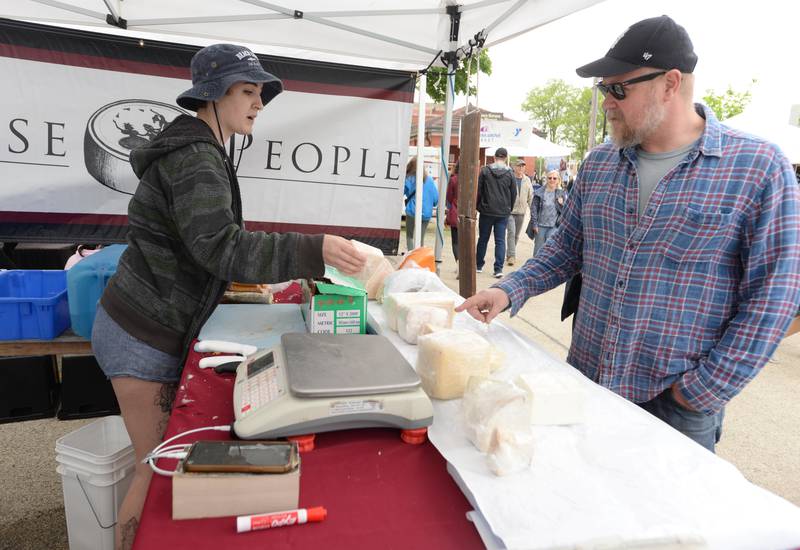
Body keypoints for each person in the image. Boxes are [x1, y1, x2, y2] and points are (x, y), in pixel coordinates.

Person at [456, 15, 800, 453]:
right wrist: (508, 291)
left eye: (618, 89)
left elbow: (775, 297)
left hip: (675, 406)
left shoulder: (757, 168)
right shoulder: (601, 164)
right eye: (604, 90)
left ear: (670, 84)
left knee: (663, 519)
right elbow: (565, 248)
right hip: (584, 379)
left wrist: (699, 393)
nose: (606, 103)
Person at [91, 43, 366, 550]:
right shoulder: (196, 156)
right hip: (141, 331)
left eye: (260, 93)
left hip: (148, 322)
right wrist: (313, 248)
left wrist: (262, 271)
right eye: (246, 91)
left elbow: (206, 240)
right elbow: (219, 247)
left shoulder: (202, 148)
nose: (258, 103)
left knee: (152, 465)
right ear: (212, 95)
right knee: (154, 471)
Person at [476, 147, 516, 278]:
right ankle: (498, 269)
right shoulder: (510, 173)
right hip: (503, 212)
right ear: (505, 158)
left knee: (483, 239)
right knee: (500, 241)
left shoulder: (485, 171)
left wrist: (479, 206)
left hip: (486, 211)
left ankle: (478, 265)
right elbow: (513, 193)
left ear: (494, 157)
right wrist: (508, 208)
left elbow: (479, 190)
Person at [526, 169, 566, 256]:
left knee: (550, 249)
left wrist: (562, 204)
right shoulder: (539, 193)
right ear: (546, 179)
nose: (552, 180)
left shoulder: (561, 194)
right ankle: (535, 267)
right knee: (538, 250)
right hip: (540, 226)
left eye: (554, 178)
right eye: (550, 178)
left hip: (554, 226)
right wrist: (534, 224)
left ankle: (547, 268)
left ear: (558, 180)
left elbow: (566, 212)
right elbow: (533, 210)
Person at [403, 157, 439, 251]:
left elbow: (401, 192)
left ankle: (412, 257)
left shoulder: (409, 178)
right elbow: (435, 199)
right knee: (420, 238)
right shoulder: (430, 180)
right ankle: (419, 258)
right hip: (426, 213)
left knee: (410, 236)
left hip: (412, 211)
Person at [506, 159, 534, 266]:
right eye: (519, 166)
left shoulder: (527, 180)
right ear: (514, 167)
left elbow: (530, 197)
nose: (521, 168)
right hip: (510, 212)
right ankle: (512, 256)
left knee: (516, 235)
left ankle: (509, 253)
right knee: (511, 233)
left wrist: (532, 211)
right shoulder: (509, 178)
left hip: (521, 212)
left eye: (523, 166)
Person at [445, 161, 460, 261]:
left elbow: (449, 197)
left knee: (455, 241)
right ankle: (462, 264)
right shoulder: (472, 179)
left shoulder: (454, 179)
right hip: (468, 213)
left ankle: (458, 263)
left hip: (455, 211)